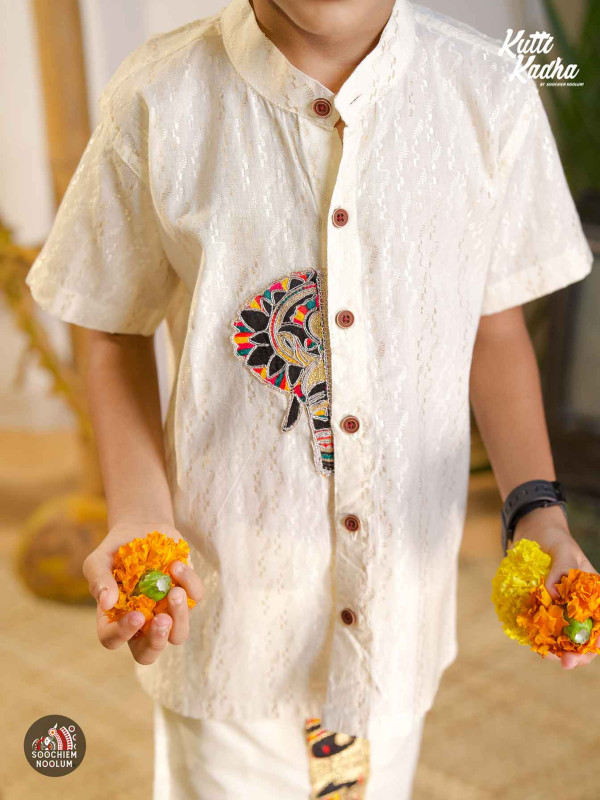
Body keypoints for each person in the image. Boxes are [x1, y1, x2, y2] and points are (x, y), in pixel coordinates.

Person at [25, 0, 596, 796]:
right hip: (227, 608)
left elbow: (494, 329)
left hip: (397, 607)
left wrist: (538, 513)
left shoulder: (490, 93)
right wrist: (139, 514)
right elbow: (111, 325)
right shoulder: (158, 97)